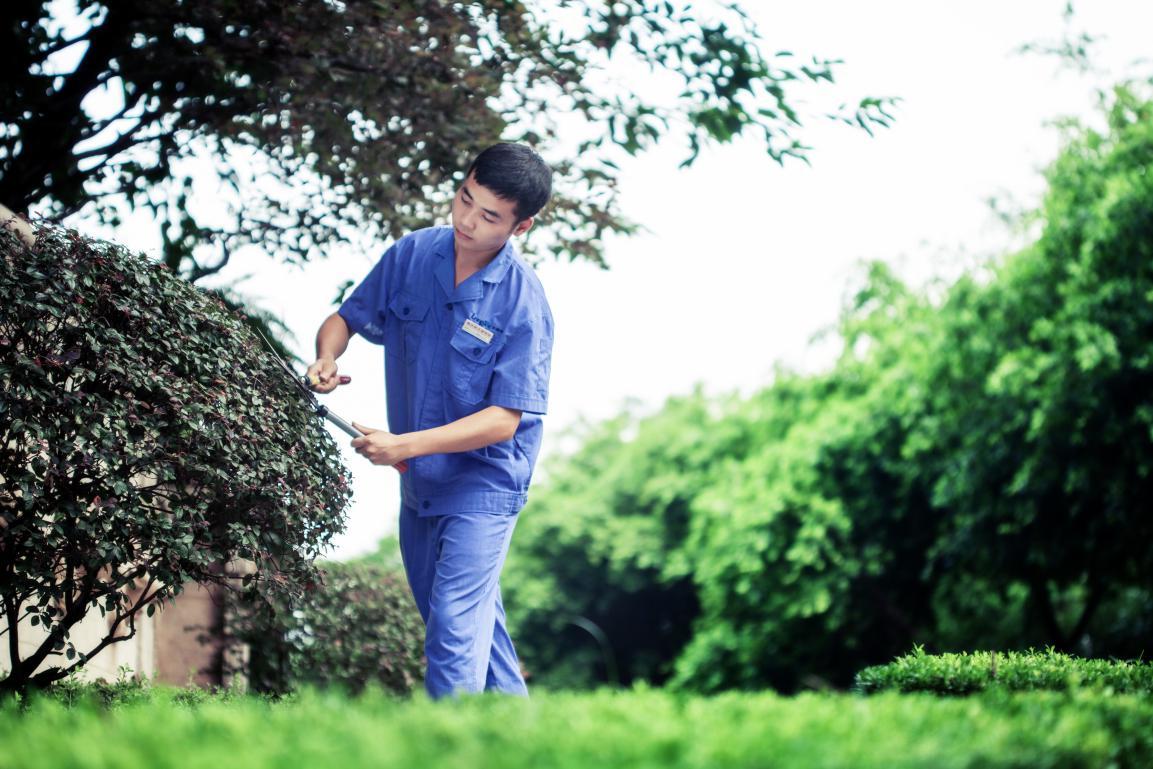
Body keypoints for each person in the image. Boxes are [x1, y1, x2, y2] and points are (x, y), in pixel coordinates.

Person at [306, 143, 554, 698]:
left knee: (452, 637)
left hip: (484, 485)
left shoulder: (523, 300)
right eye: (465, 198)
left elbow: (504, 419)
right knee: (472, 634)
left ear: (521, 226)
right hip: (418, 482)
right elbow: (346, 317)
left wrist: (405, 445)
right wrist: (328, 357)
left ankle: (449, 751)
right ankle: (522, 747)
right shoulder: (413, 255)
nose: (467, 219)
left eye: (490, 215)